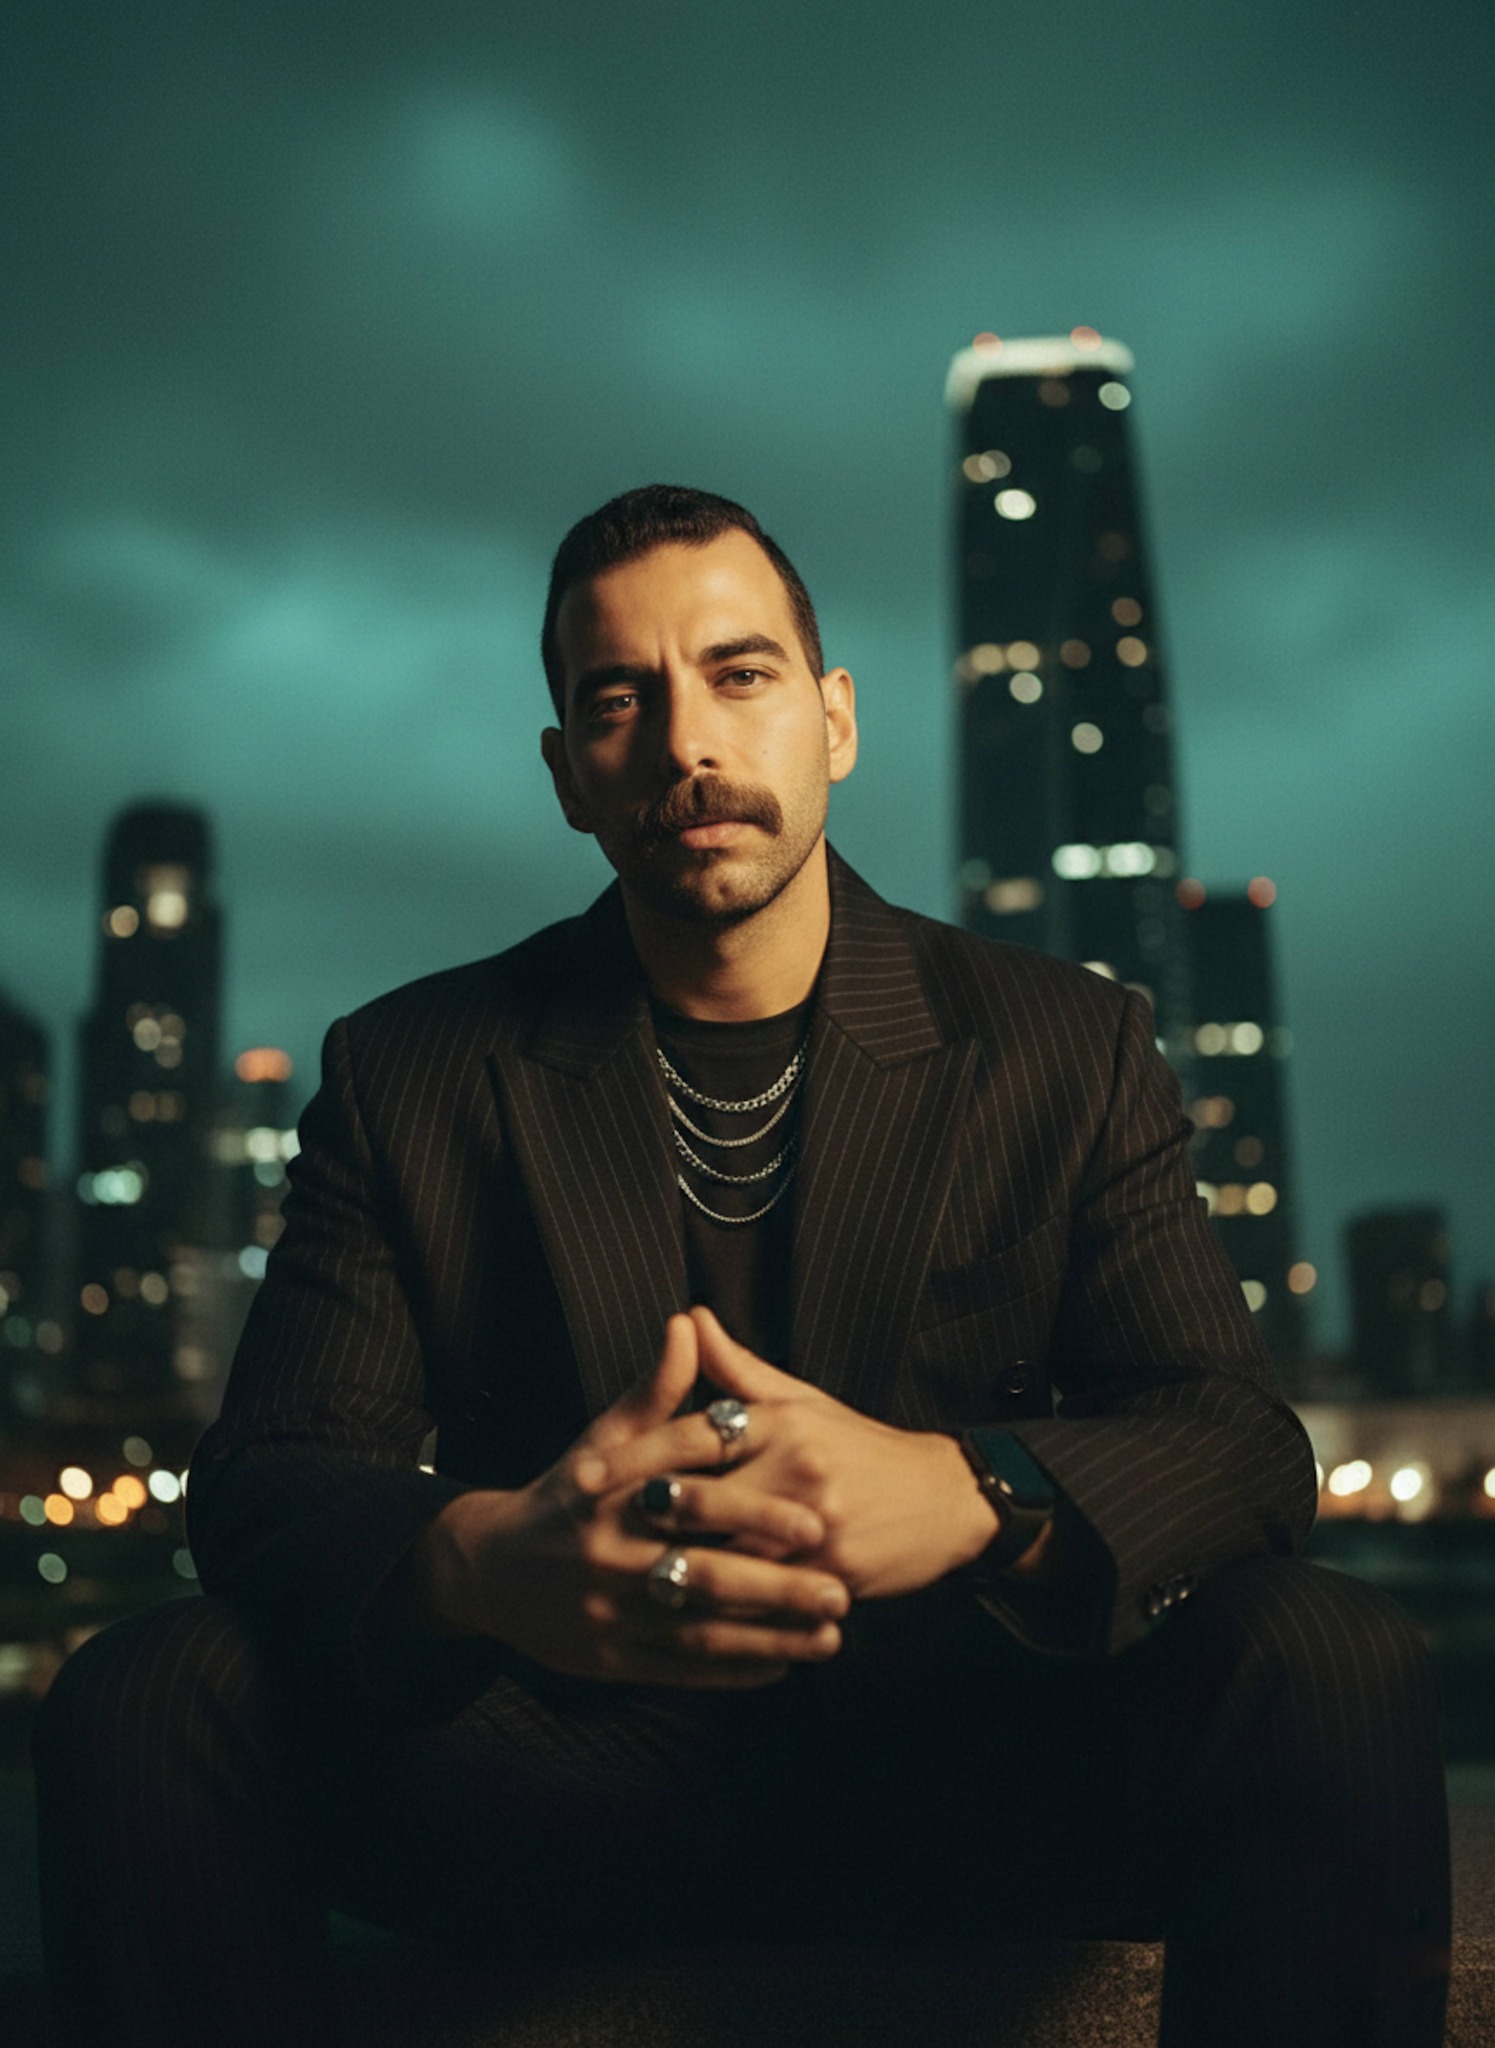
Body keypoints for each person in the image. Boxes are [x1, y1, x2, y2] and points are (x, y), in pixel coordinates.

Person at [35, 485, 1449, 2045]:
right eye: (619, 700)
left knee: (1334, 1654)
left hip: (982, 1770)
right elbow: (268, 1478)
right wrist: (485, 1561)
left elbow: (1237, 1441)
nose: (686, 744)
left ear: (833, 719)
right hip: (564, 1784)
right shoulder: (412, 1071)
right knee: (148, 1690)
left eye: (739, 673)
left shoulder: (1064, 1044)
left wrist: (974, 1491)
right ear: (568, 775)